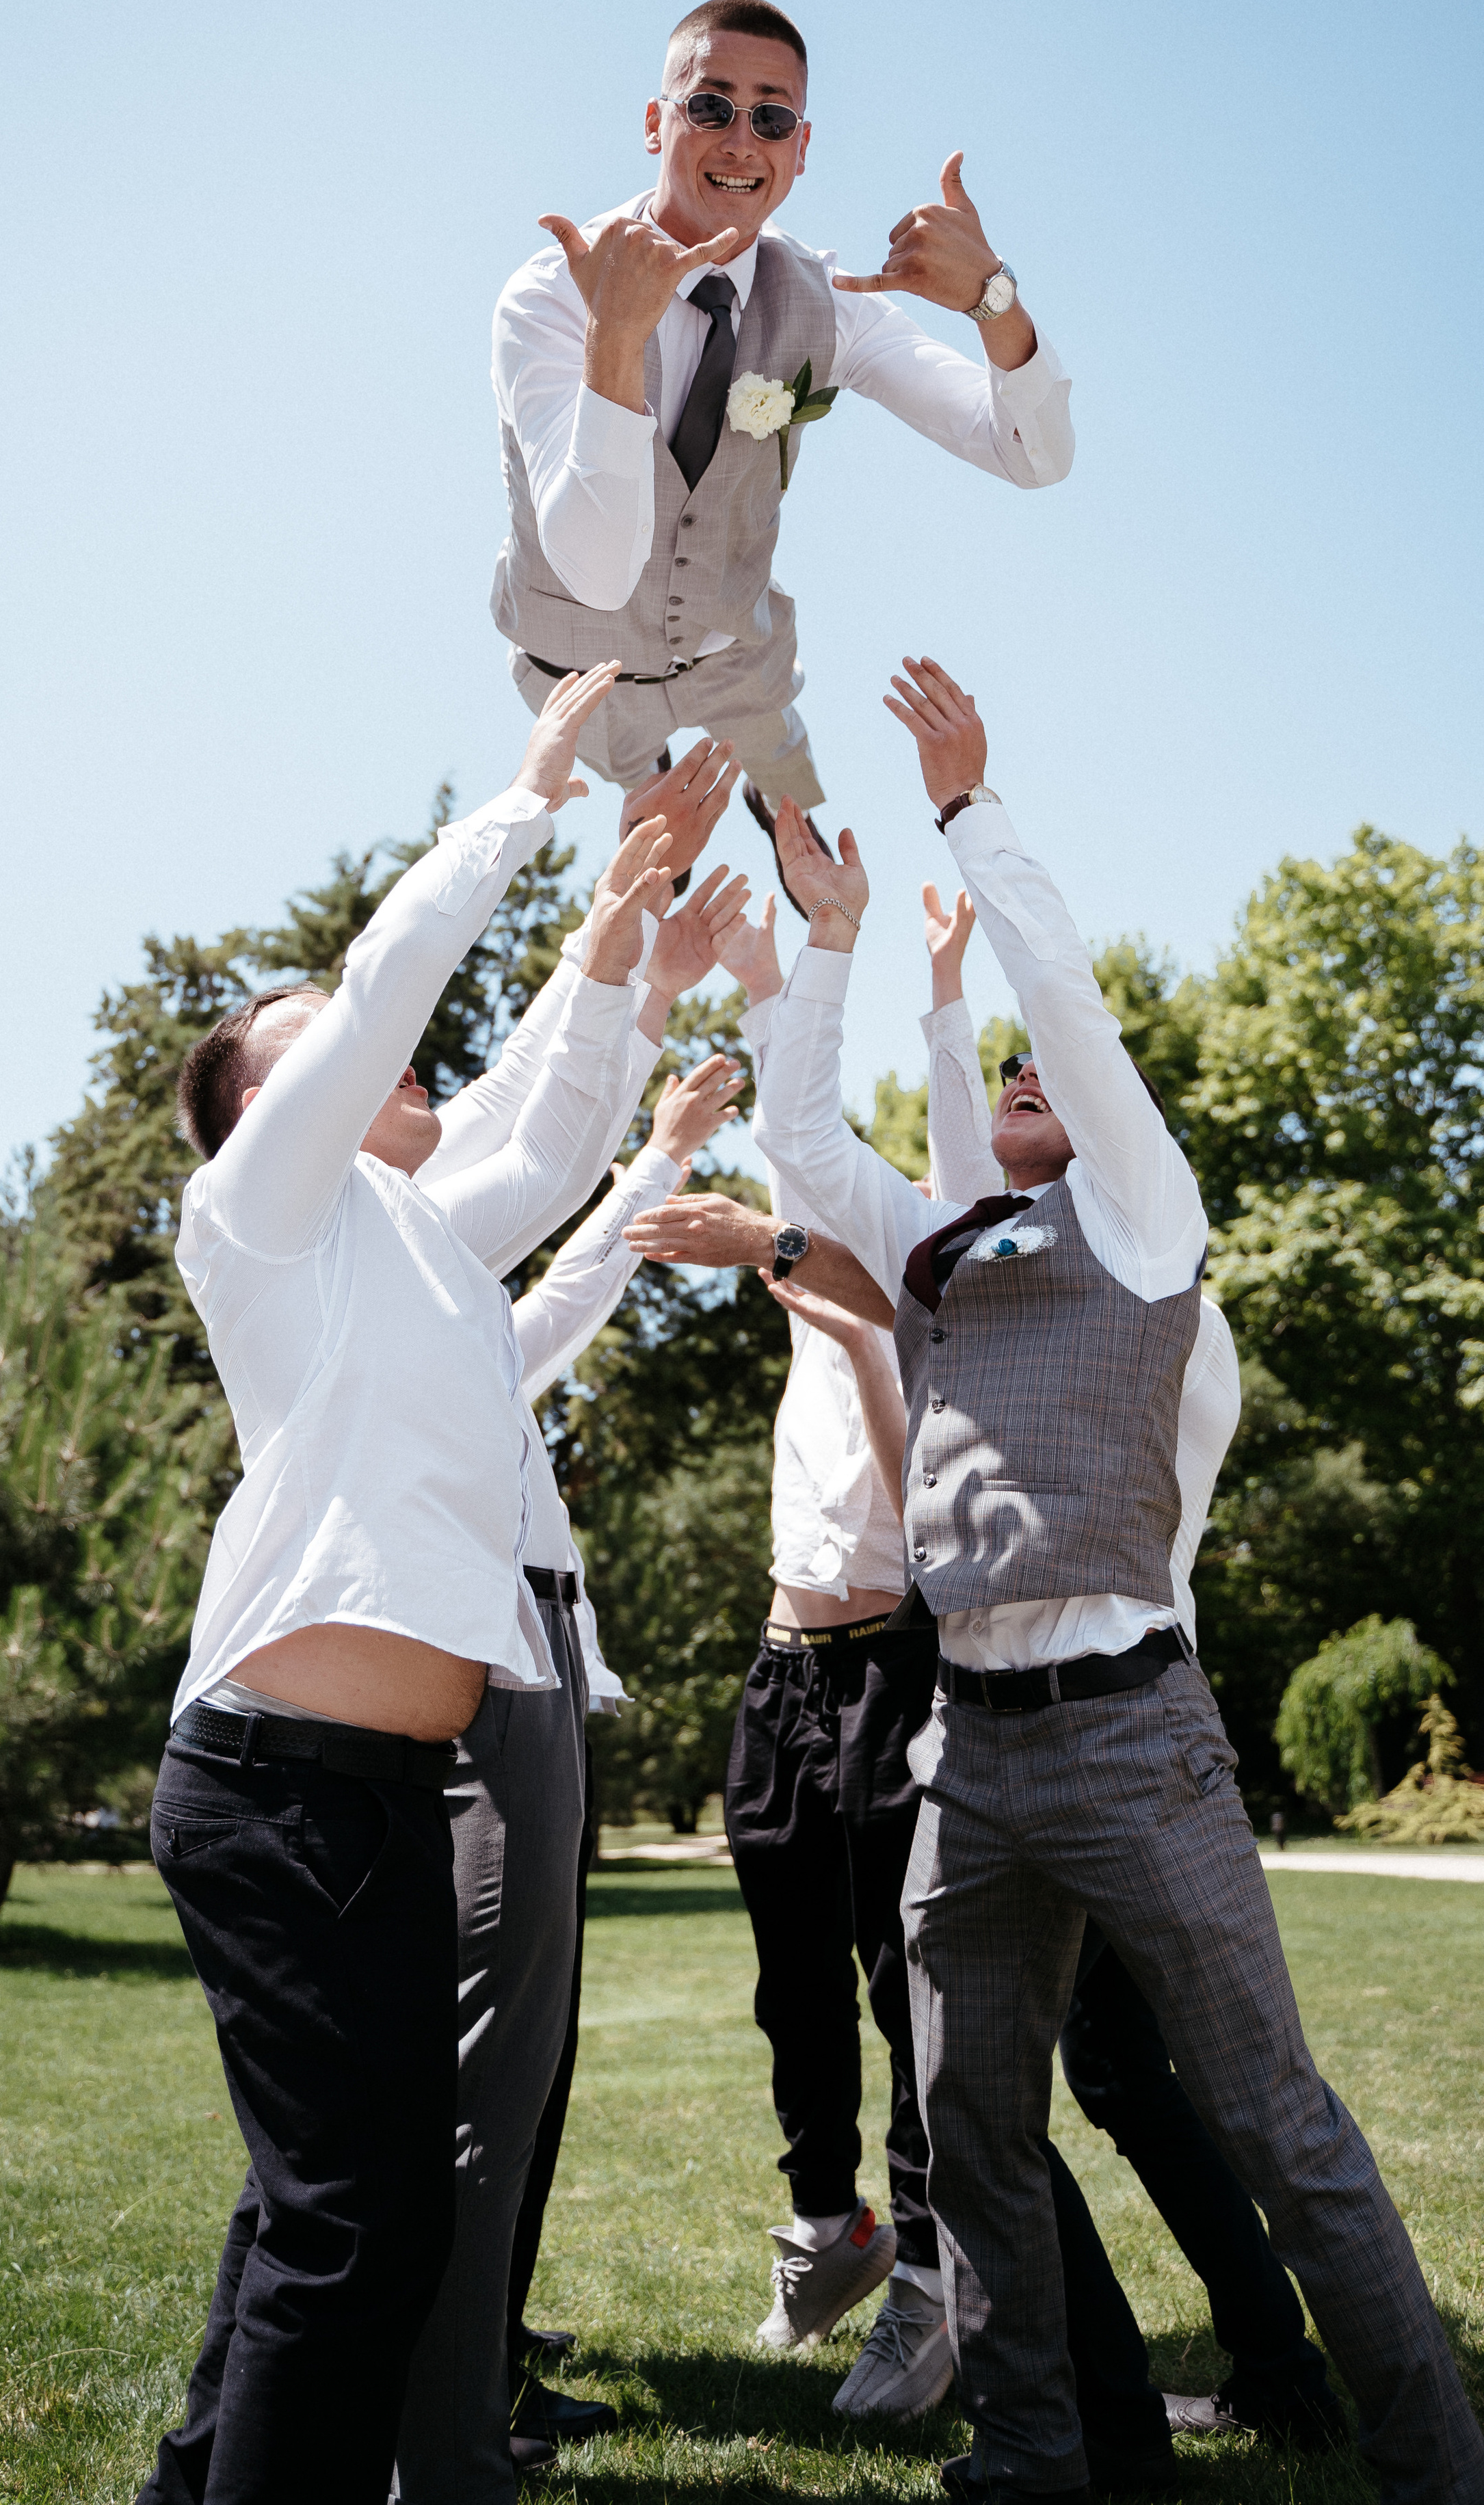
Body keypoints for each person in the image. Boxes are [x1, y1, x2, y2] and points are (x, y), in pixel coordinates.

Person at [634, 654, 1484, 2504]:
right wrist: (834, 942)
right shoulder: (955, 1247)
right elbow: (804, 1149)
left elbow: (1068, 1009)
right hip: (971, 1754)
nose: (1024, 1076)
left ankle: (1435, 2463)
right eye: (1003, 1073)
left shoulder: (1148, 1226)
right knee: (973, 2133)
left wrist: (967, 810)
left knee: (1276, 2127)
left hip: (1127, 1735)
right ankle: (1030, 2458)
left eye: (1043, 1079)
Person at [136, 665, 663, 2505]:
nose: (400, 1068)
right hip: (274, 1790)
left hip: (373, 1795)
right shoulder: (259, 1221)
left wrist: (621, 934)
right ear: (271, 1110)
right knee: (354, 2229)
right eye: (326, 1058)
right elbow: (380, 999)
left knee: (333, 2214)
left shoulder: (421, 1242)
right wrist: (527, 799)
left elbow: (559, 1129)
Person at [393, 867, 752, 2505]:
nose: (420, 1085)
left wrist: (655, 1106)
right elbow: (533, 1142)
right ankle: (446, 2434)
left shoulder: (451, 1307)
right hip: (490, 1657)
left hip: (531, 1648)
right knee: (489, 2054)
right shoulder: (385, 1262)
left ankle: (480, 2369)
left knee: (521, 2053)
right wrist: (634, 987)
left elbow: (560, 1279)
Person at [490, 0, 1074, 836]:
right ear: (656, 123)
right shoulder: (550, 296)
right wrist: (613, 337)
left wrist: (994, 301)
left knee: (781, 757)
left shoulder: (829, 302)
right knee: (634, 777)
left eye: (771, 118)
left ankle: (778, 805)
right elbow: (596, 575)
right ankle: (648, 788)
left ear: (800, 149)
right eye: (710, 106)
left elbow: (1032, 457)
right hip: (578, 665)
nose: (740, 140)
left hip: (735, 653)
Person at [693, 882, 992, 2423]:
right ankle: (831, 2227)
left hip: (895, 1660)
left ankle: (932, 2274)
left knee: (898, 1982)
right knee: (789, 1979)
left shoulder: (922, 1304)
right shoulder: (817, 1257)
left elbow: (910, 1498)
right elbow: (791, 1137)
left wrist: (856, 1328)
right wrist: (767, 972)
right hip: (781, 1663)